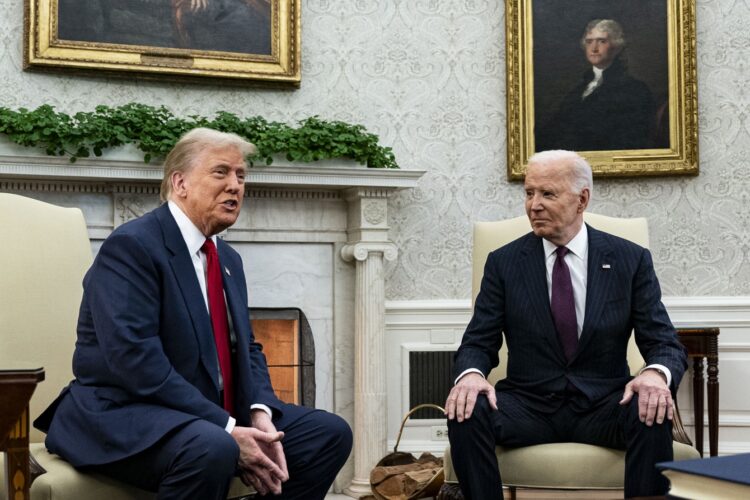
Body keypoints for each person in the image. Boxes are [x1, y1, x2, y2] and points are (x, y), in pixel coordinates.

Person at [34, 128, 352, 499]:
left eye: (241, 175)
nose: (235, 186)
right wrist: (228, 427)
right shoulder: (133, 246)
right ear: (180, 183)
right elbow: (134, 360)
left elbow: (247, 347)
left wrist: (258, 413)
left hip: (198, 414)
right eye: (221, 172)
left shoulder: (227, 259)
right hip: (124, 412)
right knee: (214, 445)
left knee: (327, 434)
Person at [445, 150, 687, 499]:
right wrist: (470, 376)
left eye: (547, 194)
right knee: (466, 410)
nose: (534, 205)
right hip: (529, 405)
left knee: (651, 408)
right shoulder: (504, 263)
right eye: (529, 193)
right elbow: (478, 343)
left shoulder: (628, 260)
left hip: (605, 404)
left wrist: (654, 374)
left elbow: (664, 341)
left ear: (581, 199)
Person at [535, 19, 658, 151]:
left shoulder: (635, 90)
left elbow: (631, 141)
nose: (594, 48)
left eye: (602, 41)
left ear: (616, 46)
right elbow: (554, 129)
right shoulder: (579, 89)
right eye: (589, 41)